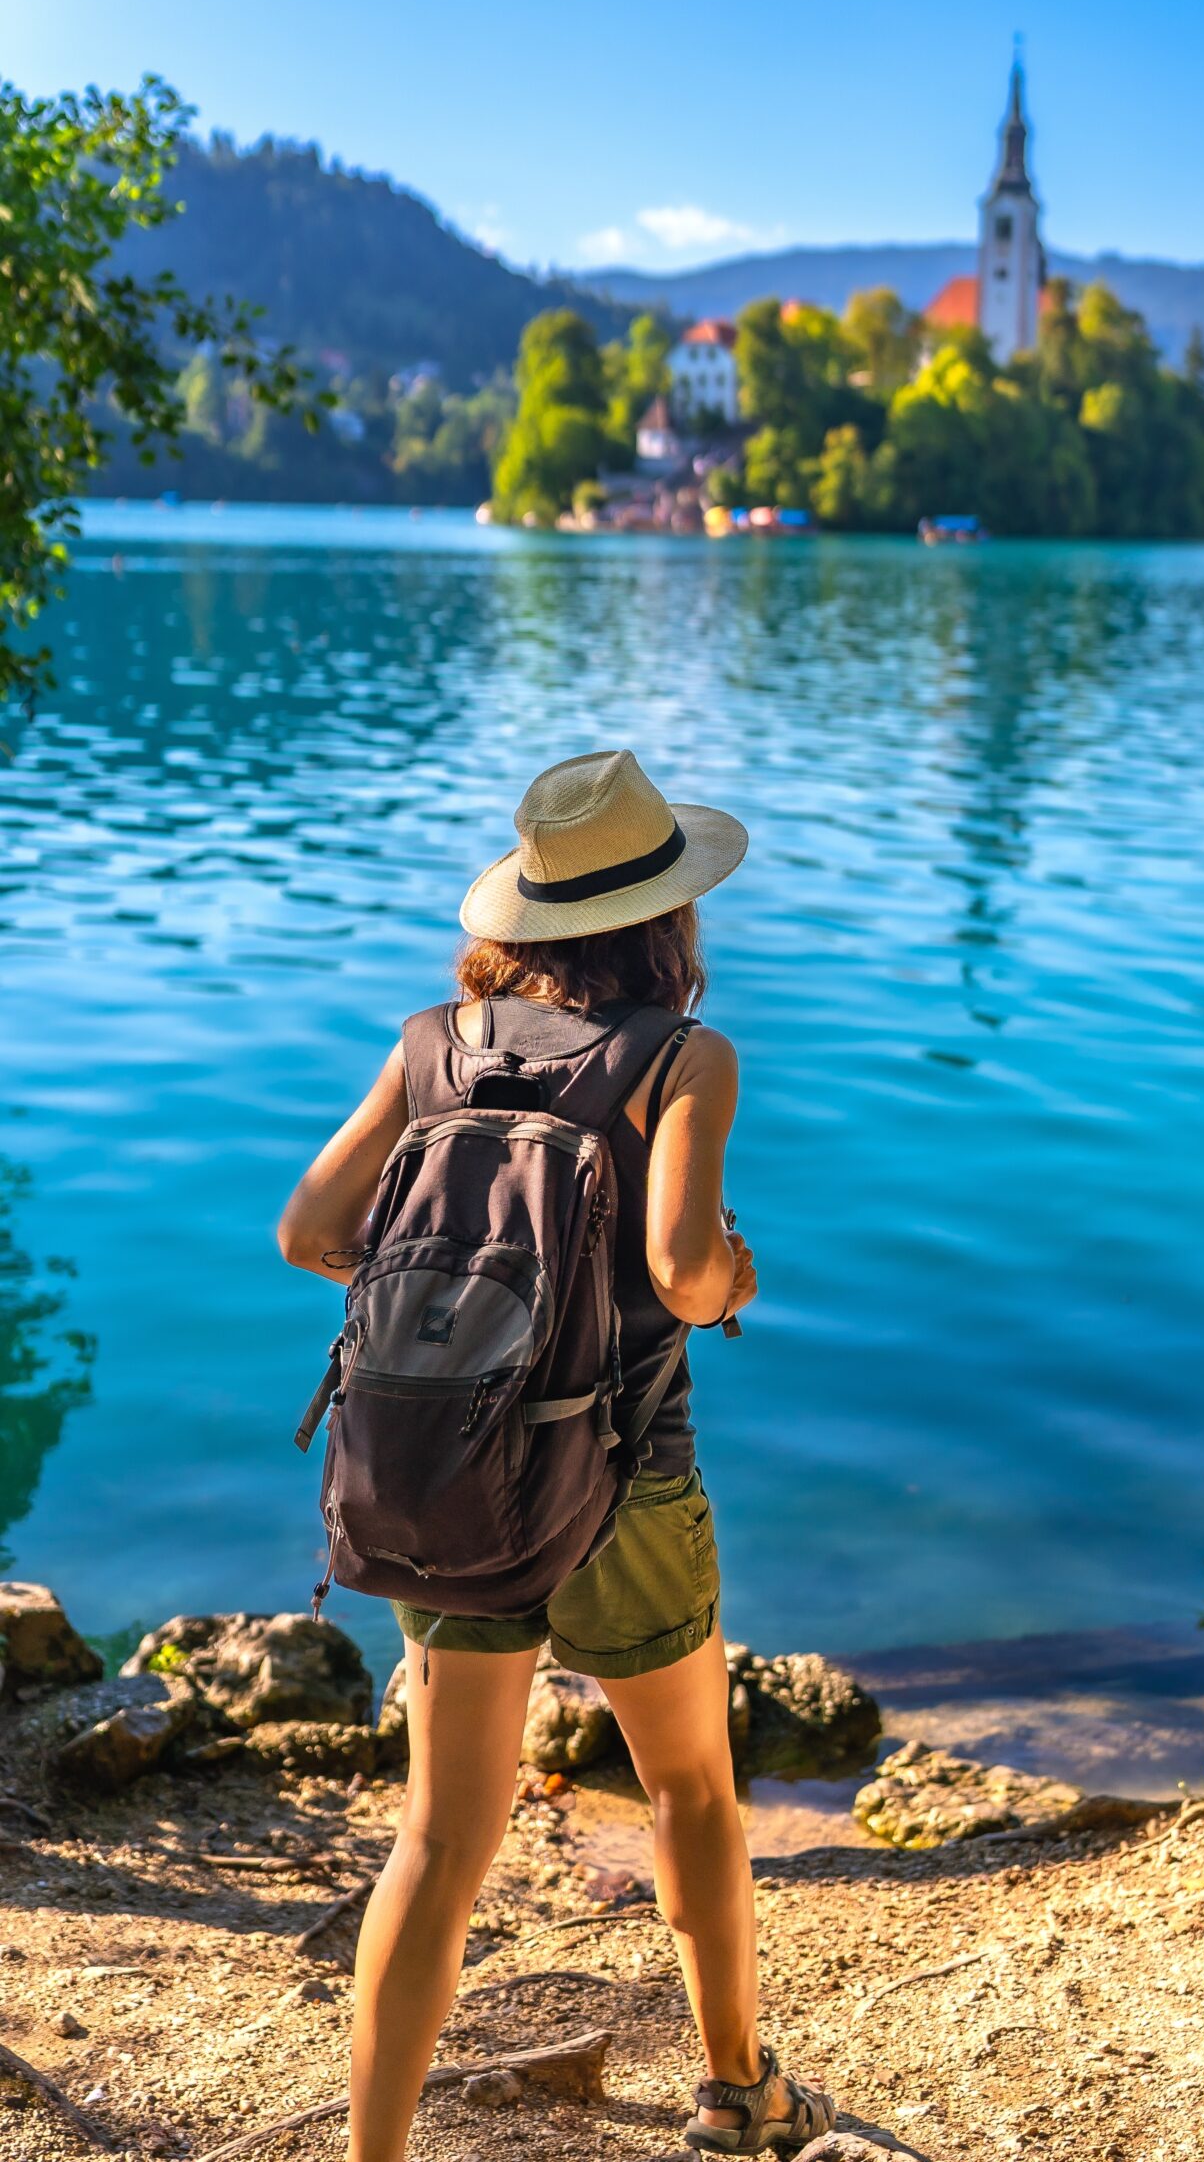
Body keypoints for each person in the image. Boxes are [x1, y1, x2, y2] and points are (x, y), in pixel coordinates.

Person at [277, 749, 836, 2159]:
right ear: (667, 916)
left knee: (439, 1837)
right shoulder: (682, 1057)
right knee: (689, 1788)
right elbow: (683, 1272)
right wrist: (734, 1282)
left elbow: (307, 1234)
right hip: (625, 1476)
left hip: (449, 1475)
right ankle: (739, 2095)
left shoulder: (432, 1046)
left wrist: (459, 1321)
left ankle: (374, 2154)